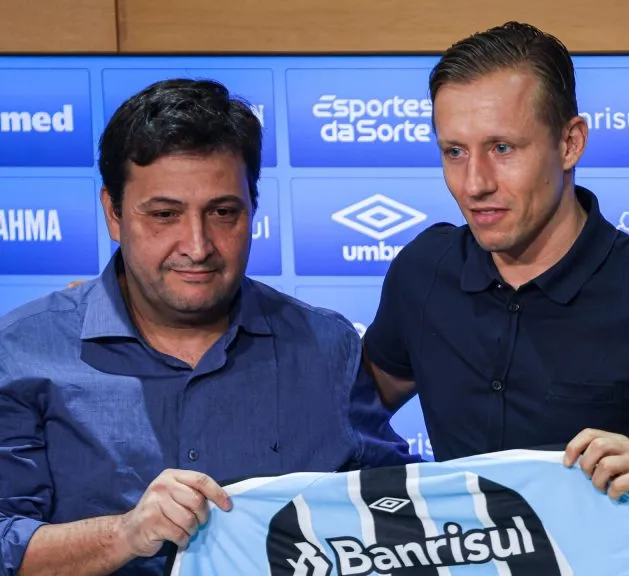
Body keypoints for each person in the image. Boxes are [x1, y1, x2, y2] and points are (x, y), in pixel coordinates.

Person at [0, 79, 422, 576]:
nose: (197, 245)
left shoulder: (326, 346)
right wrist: (125, 535)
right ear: (113, 214)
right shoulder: (23, 350)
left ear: (253, 210)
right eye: (164, 215)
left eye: (223, 213)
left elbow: (397, 513)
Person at [362, 22, 629, 501]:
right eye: (454, 152)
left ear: (570, 142)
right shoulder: (423, 273)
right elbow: (353, 416)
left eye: (502, 148)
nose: (474, 184)